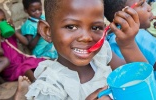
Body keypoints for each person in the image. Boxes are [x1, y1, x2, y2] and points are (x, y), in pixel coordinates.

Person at [18, 0, 147, 99]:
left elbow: (138, 76)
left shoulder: (101, 55)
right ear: (47, 31)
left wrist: (128, 44)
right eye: (71, 26)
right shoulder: (50, 88)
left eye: (96, 27)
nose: (86, 37)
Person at [0, 6, 45, 82]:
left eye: (3, 20)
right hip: (10, 69)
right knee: (25, 68)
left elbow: (26, 42)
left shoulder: (9, 35)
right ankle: (37, 83)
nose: (0, 23)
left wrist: (13, 30)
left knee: (41, 62)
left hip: (21, 61)